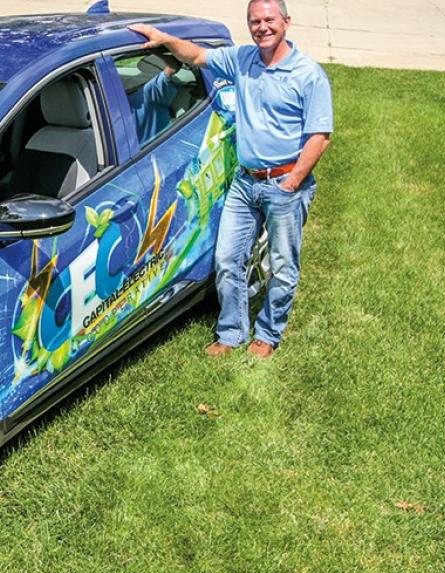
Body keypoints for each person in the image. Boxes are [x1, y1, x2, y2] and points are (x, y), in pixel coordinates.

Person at [129, 0, 332, 359]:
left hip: (284, 183)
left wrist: (292, 182)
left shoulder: (308, 74)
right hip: (245, 181)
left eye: (269, 20)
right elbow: (196, 56)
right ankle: (232, 332)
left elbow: (320, 136)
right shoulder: (242, 60)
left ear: (287, 21)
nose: (262, 27)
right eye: (255, 21)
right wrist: (162, 38)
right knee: (227, 259)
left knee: (283, 267)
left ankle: (268, 334)